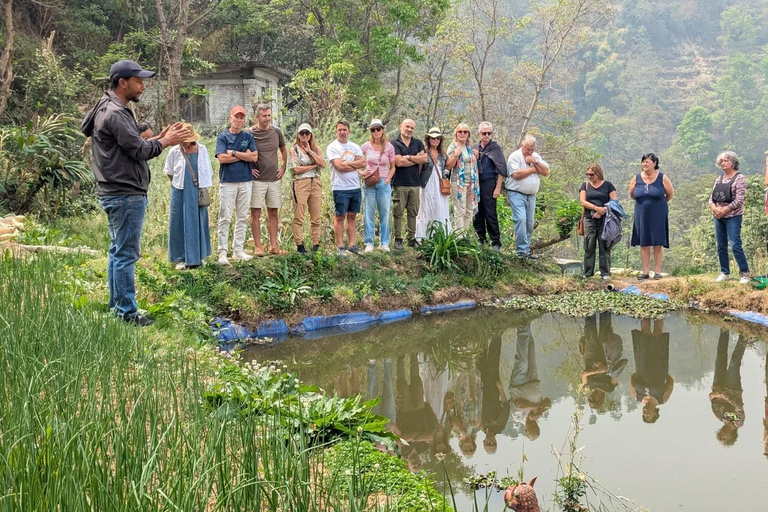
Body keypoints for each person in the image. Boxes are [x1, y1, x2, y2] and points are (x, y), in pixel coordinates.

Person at [81, 59, 190, 326]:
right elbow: (140, 152)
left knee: (118, 251)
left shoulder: (106, 106)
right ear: (123, 82)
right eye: (139, 81)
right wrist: (167, 141)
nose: (143, 86)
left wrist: (158, 137)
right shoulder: (117, 113)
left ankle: (118, 307)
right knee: (126, 254)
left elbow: (130, 144)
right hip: (125, 192)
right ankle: (126, 314)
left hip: (114, 190)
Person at [164, 123, 212, 269]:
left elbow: (208, 170)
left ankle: (199, 256)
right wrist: (179, 185)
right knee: (179, 221)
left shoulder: (202, 149)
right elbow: (169, 171)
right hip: (179, 190)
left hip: (197, 191)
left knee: (198, 220)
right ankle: (180, 258)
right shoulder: (174, 151)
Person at [215, 106, 258, 265]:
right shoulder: (223, 137)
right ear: (230, 118)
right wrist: (243, 155)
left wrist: (232, 153)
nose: (239, 120)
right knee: (225, 217)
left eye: (242, 118)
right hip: (228, 182)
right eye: (236, 117)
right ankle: (222, 252)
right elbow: (221, 158)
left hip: (246, 180)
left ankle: (238, 250)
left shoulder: (248, 136)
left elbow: (254, 157)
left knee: (242, 216)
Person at [249, 104, 287, 256]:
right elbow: (243, 151)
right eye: (264, 116)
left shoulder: (276, 131)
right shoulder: (250, 133)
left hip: (274, 179)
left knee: (273, 211)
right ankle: (258, 247)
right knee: (255, 213)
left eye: (269, 115)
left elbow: (283, 149)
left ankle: (273, 246)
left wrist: (284, 166)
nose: (267, 118)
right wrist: (249, 168)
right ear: (257, 117)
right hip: (257, 180)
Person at [629, 153, 674, 280]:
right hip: (641, 214)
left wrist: (658, 203)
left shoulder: (662, 178)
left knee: (657, 242)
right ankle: (645, 271)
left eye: (647, 162)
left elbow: (670, 195)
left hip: (658, 213)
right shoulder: (636, 178)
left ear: (655, 163)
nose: (644, 164)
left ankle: (658, 271)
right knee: (644, 242)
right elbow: (632, 194)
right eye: (643, 162)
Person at [505, 135, 550, 259]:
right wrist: (533, 169)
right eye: (528, 149)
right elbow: (516, 174)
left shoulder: (536, 157)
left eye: (532, 150)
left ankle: (526, 251)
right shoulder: (515, 156)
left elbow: (546, 171)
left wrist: (535, 162)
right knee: (520, 220)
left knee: (529, 225)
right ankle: (521, 252)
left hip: (531, 196)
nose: (530, 152)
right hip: (516, 193)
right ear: (522, 145)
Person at [327, 119, 366, 257]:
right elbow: (339, 167)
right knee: (339, 216)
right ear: (336, 131)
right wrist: (354, 164)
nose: (342, 132)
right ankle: (340, 245)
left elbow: (362, 162)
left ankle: (352, 244)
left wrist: (348, 164)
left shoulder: (355, 146)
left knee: (352, 216)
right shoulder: (332, 147)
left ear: (349, 131)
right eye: (340, 130)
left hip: (355, 186)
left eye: (344, 129)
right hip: (340, 187)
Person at [710, 151, 750, 284]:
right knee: (721, 245)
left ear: (733, 162)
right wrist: (715, 209)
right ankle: (724, 272)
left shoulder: (740, 178)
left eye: (725, 160)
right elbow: (712, 198)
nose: (723, 163)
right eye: (721, 161)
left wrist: (725, 210)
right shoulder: (719, 179)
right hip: (718, 216)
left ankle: (744, 273)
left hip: (733, 216)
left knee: (735, 244)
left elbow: (739, 199)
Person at [288, 123, 325, 253]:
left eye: (307, 133)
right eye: (302, 133)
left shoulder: (316, 149)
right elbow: (296, 169)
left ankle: (316, 244)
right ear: (298, 135)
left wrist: (310, 152)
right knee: (299, 215)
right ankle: (299, 245)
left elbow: (323, 164)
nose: (304, 135)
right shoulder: (294, 149)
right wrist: (313, 166)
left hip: (315, 182)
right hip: (300, 183)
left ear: (310, 135)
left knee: (315, 216)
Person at [392, 119, 428, 249]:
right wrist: (415, 158)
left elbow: (424, 159)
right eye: (407, 127)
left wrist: (407, 157)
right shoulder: (394, 143)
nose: (409, 130)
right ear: (400, 126)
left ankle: (411, 238)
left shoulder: (418, 143)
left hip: (415, 183)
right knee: (398, 212)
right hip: (399, 183)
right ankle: (398, 239)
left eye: (412, 128)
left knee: (413, 212)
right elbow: (398, 162)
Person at [360, 119, 395, 253]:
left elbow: (393, 167)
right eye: (373, 129)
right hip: (369, 182)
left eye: (378, 129)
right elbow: (356, 160)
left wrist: (387, 180)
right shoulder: (365, 146)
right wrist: (361, 172)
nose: (376, 132)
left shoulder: (389, 147)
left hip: (383, 182)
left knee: (384, 213)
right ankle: (369, 242)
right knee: (368, 213)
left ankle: (384, 242)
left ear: (382, 130)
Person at [630, 318, 674, 423]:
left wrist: (641, 370)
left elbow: (632, 378)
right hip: (659, 364)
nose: (645, 413)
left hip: (642, 363)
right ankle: (659, 310)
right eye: (648, 415)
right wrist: (663, 372)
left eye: (644, 415)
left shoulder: (637, 397)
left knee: (645, 333)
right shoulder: (662, 399)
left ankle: (645, 312)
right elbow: (670, 382)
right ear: (655, 413)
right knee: (658, 334)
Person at [580, 313, 625, 410]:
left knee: (590, 332)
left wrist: (596, 371)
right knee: (605, 331)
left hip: (590, 357)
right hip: (606, 358)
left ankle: (589, 309)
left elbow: (584, 374)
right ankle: (605, 309)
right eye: (593, 400)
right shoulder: (609, 388)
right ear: (600, 399)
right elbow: (615, 374)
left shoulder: (587, 387)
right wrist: (603, 367)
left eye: (590, 399)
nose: (591, 397)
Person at [579, 163, 618, 279]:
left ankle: (605, 273)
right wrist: (596, 208)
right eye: (588, 174)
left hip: (605, 219)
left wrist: (603, 210)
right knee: (589, 244)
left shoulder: (608, 185)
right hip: (589, 218)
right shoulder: (585, 185)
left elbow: (614, 201)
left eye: (592, 174)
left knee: (604, 244)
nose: (589, 176)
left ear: (598, 173)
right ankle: (587, 272)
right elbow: (583, 201)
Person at [709, 329, 747, 446]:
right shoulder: (737, 422)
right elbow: (738, 405)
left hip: (718, 385)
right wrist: (723, 395)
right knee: (734, 362)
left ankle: (724, 329)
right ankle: (745, 334)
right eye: (724, 438)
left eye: (720, 437)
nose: (721, 434)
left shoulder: (720, 417)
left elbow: (711, 399)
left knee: (720, 357)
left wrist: (714, 394)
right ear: (731, 437)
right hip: (733, 388)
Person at [473, 122, 505, 250]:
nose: (486, 135)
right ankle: (480, 239)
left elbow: (501, 168)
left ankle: (495, 242)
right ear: (479, 134)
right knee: (477, 212)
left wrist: (498, 188)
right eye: (484, 133)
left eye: (489, 133)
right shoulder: (475, 147)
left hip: (490, 182)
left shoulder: (495, 148)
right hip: (476, 183)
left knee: (490, 212)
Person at [416, 127, 451, 240]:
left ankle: (440, 236)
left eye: (438, 138)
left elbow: (447, 168)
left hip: (439, 184)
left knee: (439, 207)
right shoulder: (424, 153)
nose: (436, 140)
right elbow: (419, 169)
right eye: (433, 138)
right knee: (425, 208)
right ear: (429, 139)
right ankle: (424, 237)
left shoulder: (443, 154)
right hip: (427, 183)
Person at [446, 123, 479, 231]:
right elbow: (448, 166)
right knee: (460, 210)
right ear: (456, 133)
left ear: (468, 134)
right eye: (460, 131)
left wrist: (476, 155)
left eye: (465, 132)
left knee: (469, 210)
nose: (462, 134)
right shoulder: (453, 147)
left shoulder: (469, 147)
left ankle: (465, 235)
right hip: (459, 183)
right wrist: (455, 155)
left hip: (471, 183)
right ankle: (459, 237)